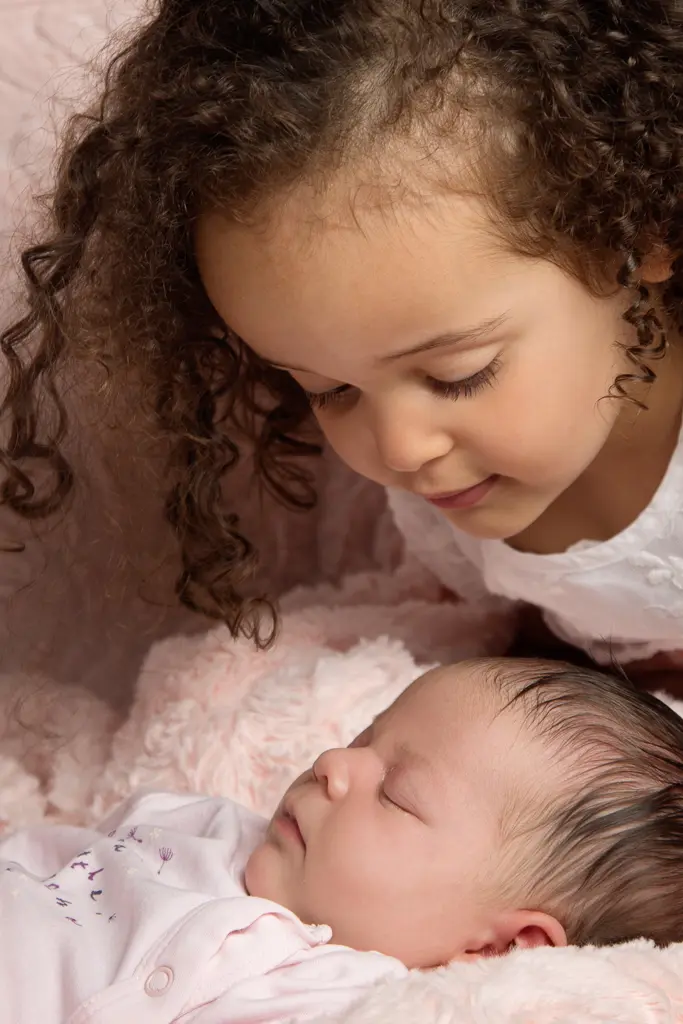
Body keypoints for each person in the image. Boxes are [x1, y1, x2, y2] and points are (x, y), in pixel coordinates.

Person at [3, 0, 683, 692]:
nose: (398, 451)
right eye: (329, 390)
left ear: (636, 237)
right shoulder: (450, 489)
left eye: (457, 375)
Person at [2, 656, 683, 1021]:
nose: (334, 764)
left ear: (499, 948)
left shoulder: (343, 998)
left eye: (394, 794)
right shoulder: (207, 825)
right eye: (364, 738)